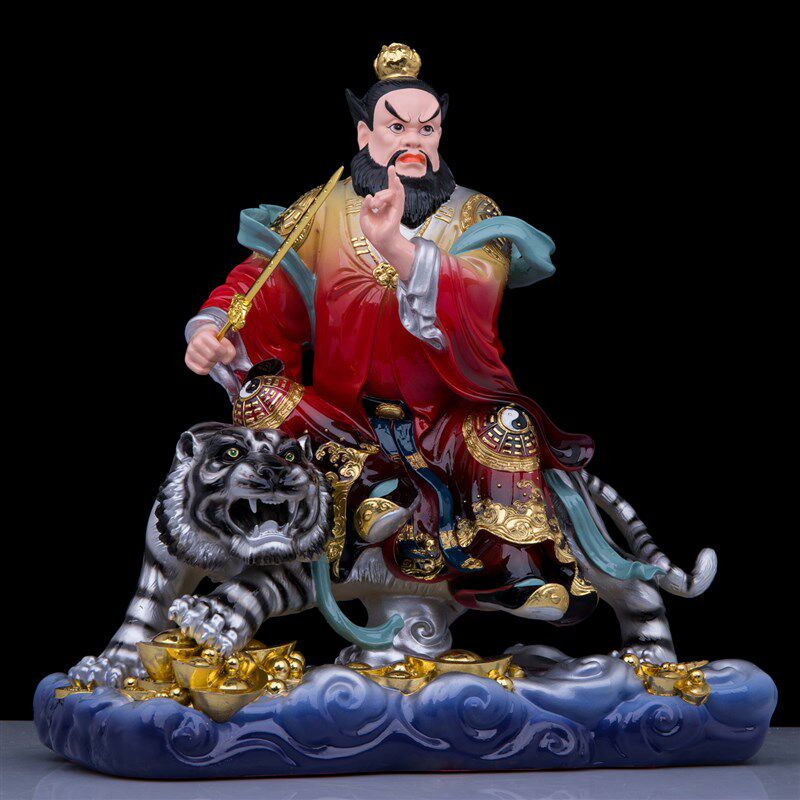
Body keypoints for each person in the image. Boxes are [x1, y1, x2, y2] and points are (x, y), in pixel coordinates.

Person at [184, 43, 596, 623]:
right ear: (364, 134)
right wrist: (213, 329)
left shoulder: (476, 213)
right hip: (338, 414)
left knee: (507, 428)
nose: (414, 141)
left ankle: (512, 571)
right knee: (262, 397)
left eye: (428, 129)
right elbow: (261, 278)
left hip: (440, 416)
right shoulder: (322, 207)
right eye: (397, 126)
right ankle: (359, 497)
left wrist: (398, 249)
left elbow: (479, 294)